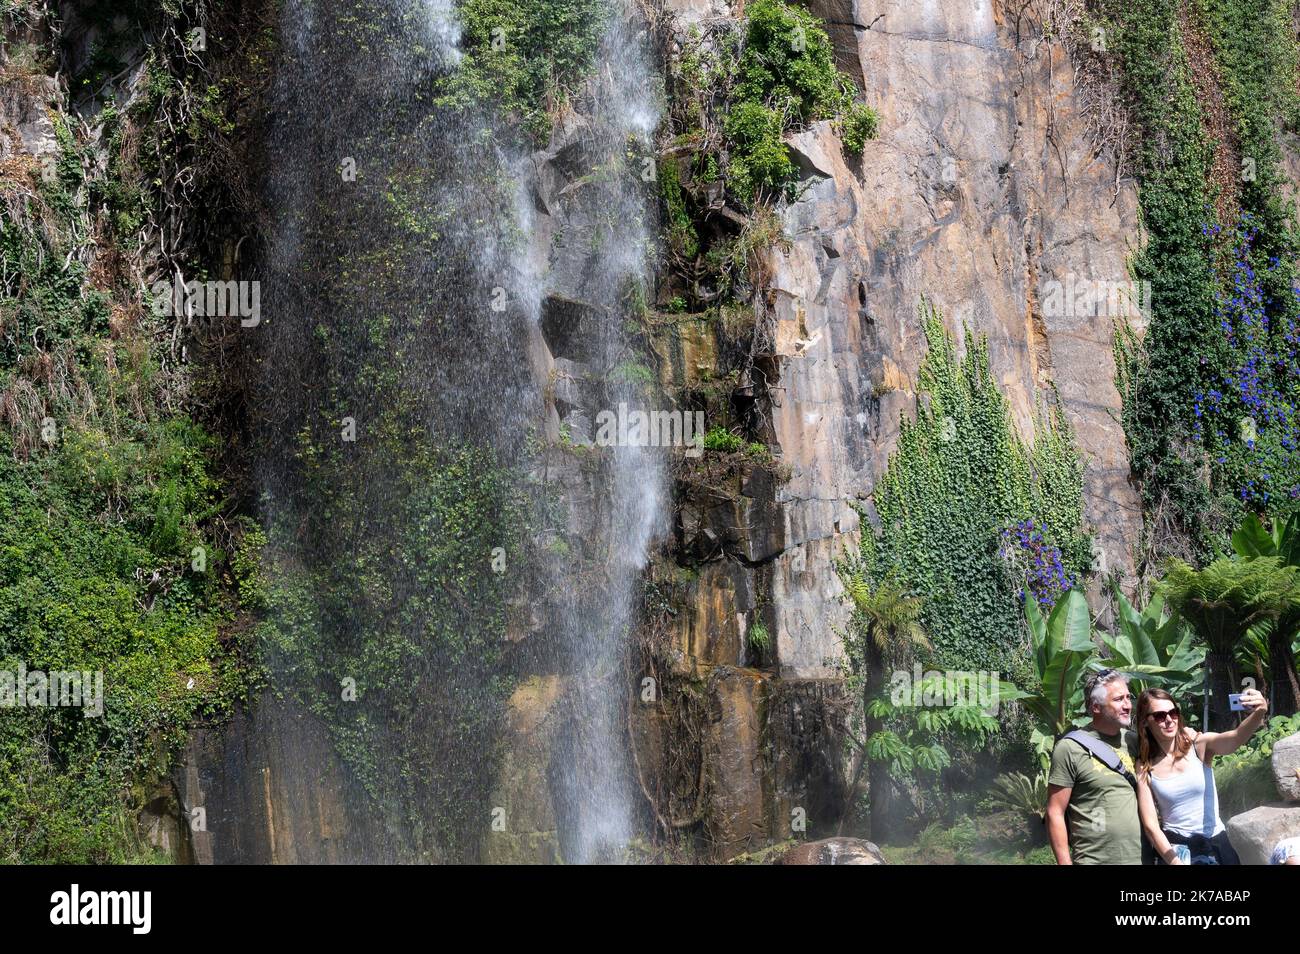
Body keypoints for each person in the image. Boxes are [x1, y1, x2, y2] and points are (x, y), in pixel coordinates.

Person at [1134, 686, 1268, 865]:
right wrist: (1174, 862)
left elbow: (1235, 738)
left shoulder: (1198, 745)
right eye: (1159, 716)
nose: (1169, 720)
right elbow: (1151, 825)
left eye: (1173, 713)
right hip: (1177, 849)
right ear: (1145, 722)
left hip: (1216, 845)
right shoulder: (1144, 765)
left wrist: (1260, 711)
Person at [1047, 668, 1143, 865]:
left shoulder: (1135, 741)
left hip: (1141, 859)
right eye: (1118, 699)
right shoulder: (1069, 748)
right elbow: (1054, 812)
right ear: (1096, 707)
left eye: (1128, 697)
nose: (1127, 705)